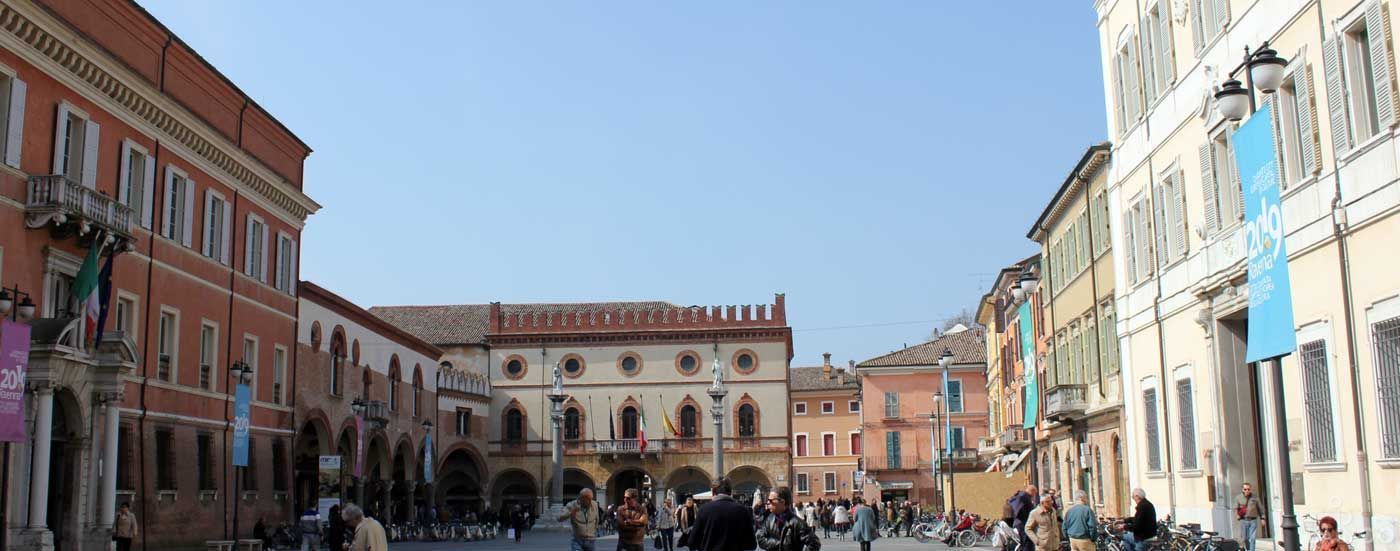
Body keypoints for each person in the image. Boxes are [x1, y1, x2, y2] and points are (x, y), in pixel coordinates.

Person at [686, 477, 758, 551]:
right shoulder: (743, 511)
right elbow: (751, 544)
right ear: (730, 492)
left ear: (713, 492)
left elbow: (692, 542)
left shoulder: (703, 510)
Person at [756, 486, 820, 551]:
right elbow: (760, 539)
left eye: (771, 500)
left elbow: (814, 543)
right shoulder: (769, 519)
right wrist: (779, 544)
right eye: (767, 500)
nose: (768, 503)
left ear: (782, 502)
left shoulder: (797, 523)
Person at [1009, 485, 1039, 551]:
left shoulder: (1023, 496)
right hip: (1022, 524)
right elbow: (1022, 510)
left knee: (1026, 543)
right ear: (1032, 491)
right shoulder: (1024, 497)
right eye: (1035, 493)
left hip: (1020, 523)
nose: (1035, 495)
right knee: (1027, 543)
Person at [1236, 483, 1264, 551]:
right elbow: (1236, 508)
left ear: (1250, 489)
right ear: (1242, 489)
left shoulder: (1255, 497)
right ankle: (1248, 549)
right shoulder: (1238, 497)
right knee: (1245, 538)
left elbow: (1260, 508)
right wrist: (1237, 515)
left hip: (1253, 520)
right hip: (1243, 520)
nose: (1247, 491)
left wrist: (1262, 518)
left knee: (1252, 538)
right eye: (1245, 489)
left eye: (1248, 489)